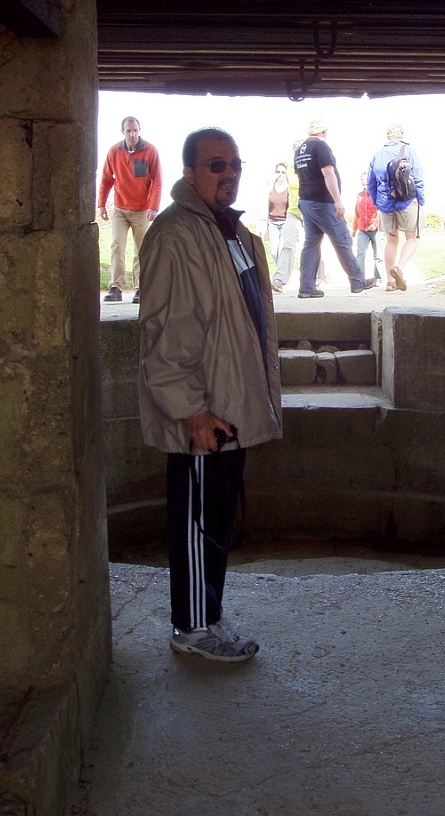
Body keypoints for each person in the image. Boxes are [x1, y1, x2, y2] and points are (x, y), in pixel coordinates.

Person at [138, 127, 282, 662]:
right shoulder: (176, 235)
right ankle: (192, 628)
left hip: (229, 407)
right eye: (216, 165)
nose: (230, 173)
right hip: (205, 414)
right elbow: (165, 332)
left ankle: (208, 614)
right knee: (199, 523)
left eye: (235, 164)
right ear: (190, 173)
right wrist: (192, 410)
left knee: (216, 519)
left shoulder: (231, 234)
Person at [294, 118, 375, 299]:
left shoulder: (301, 149)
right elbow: (328, 173)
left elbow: (301, 175)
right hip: (323, 202)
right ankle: (357, 280)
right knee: (342, 240)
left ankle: (306, 286)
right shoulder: (320, 147)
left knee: (311, 243)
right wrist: (338, 200)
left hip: (306, 201)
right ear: (324, 131)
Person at [98, 116, 162, 304]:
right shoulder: (114, 151)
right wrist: (101, 204)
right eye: (129, 131)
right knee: (117, 245)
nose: (132, 134)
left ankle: (141, 288)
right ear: (123, 132)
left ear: (139, 130)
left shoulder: (150, 151)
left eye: (135, 130)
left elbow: (157, 180)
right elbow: (106, 179)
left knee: (142, 248)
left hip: (142, 210)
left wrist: (153, 206)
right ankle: (116, 287)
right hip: (120, 208)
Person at [367, 123, 425, 292]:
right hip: (407, 200)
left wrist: (377, 202)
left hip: (386, 204)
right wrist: (421, 199)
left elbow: (371, 183)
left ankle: (390, 283)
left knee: (392, 240)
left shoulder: (377, 155)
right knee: (412, 238)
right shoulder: (409, 151)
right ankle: (399, 268)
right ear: (402, 135)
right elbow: (419, 178)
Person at [271, 143, 326, 293]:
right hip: (294, 211)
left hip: (311, 211)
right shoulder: (290, 170)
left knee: (312, 246)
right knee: (288, 245)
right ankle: (279, 279)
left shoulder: (315, 166)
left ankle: (316, 279)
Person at [352, 172, 386, 285]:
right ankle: (360, 279)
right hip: (363, 229)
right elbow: (357, 213)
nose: (364, 181)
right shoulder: (359, 196)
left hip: (376, 229)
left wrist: (375, 224)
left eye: (366, 178)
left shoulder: (377, 193)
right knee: (360, 253)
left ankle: (379, 279)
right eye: (362, 179)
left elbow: (380, 211)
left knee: (378, 256)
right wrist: (354, 229)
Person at [266, 161, 289, 266]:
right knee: (273, 252)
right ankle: (282, 272)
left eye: (283, 172)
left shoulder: (289, 188)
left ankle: (280, 276)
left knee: (281, 251)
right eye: (278, 172)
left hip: (285, 223)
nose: (280, 174)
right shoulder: (270, 186)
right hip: (272, 222)